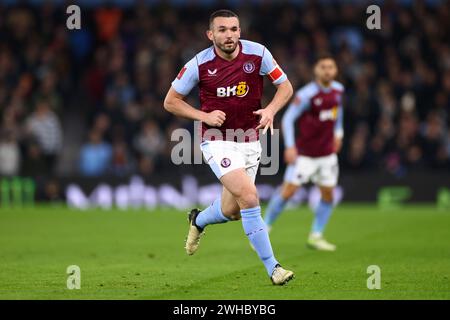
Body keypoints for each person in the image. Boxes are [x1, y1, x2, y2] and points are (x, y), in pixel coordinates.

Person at [164, 9, 294, 285]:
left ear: (240, 31)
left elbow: (285, 87)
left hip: (250, 141)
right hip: (217, 141)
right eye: (222, 30)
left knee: (233, 211)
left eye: (234, 29)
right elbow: (170, 101)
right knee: (249, 197)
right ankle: (274, 268)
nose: (229, 35)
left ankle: (198, 220)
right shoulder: (198, 64)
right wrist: (204, 116)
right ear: (210, 35)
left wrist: (270, 109)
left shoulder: (258, 54)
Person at [264, 54, 345, 251]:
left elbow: (338, 113)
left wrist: (339, 134)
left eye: (331, 67)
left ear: (335, 71)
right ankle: (263, 230)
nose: (327, 70)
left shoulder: (338, 91)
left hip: (327, 155)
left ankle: (316, 236)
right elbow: (289, 119)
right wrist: (290, 146)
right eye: (323, 67)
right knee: (288, 191)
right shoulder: (307, 94)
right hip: (305, 155)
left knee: (328, 195)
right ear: (317, 71)